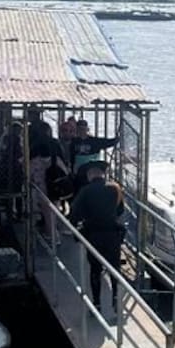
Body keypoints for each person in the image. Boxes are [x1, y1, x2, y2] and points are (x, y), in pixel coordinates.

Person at [68, 161, 125, 316]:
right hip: (112, 234)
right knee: (114, 268)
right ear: (103, 174)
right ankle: (115, 299)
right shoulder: (115, 188)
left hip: (93, 235)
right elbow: (120, 210)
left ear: (90, 175)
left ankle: (97, 304)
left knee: (95, 270)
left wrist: (75, 230)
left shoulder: (86, 191)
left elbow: (74, 213)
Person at [68, 119, 119, 192]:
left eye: (83, 129)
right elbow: (71, 157)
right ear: (76, 130)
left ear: (87, 129)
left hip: (92, 172)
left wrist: (118, 137)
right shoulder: (73, 142)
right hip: (78, 172)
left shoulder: (95, 141)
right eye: (79, 129)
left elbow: (110, 142)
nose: (81, 131)